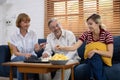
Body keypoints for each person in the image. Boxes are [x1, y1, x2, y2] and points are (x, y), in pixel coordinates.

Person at [56, 14, 113, 80]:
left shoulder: (107, 35)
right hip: (89, 59)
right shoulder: (87, 34)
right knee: (93, 58)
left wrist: (95, 51)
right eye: (88, 24)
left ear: (97, 23)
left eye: (90, 24)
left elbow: (110, 54)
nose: (88, 26)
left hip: (103, 60)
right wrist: (62, 47)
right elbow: (74, 47)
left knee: (95, 56)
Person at [9, 13, 42, 80]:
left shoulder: (33, 33)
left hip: (31, 57)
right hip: (17, 57)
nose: (27, 24)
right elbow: (15, 52)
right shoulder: (14, 35)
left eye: (28, 22)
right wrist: (25, 55)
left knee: (34, 60)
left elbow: (36, 49)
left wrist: (39, 47)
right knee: (23, 60)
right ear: (19, 23)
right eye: (25, 22)